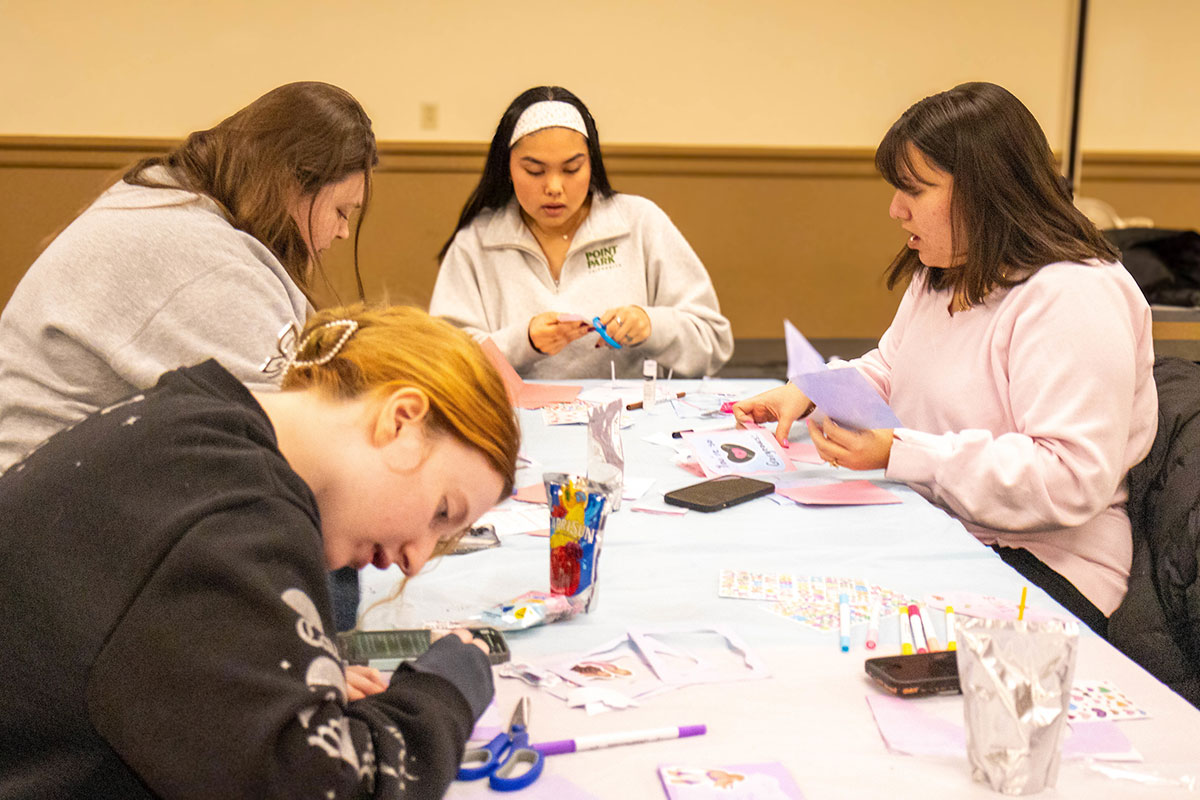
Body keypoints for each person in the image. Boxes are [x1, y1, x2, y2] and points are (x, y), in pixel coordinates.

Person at [0, 305, 521, 799]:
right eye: (441, 513)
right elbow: (324, 786)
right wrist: (443, 693)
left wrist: (261, 674)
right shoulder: (236, 513)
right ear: (402, 420)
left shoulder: (195, 423)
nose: (415, 559)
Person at [733, 82, 1156, 636]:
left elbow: (1068, 478)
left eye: (916, 189)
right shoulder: (947, 269)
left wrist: (901, 453)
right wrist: (814, 387)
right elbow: (893, 366)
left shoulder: (1074, 295)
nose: (895, 209)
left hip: (1044, 565)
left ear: (988, 191)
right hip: (945, 525)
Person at [0, 80, 377, 473]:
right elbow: (302, 438)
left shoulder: (162, 204)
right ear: (292, 185)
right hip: (47, 510)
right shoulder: (194, 252)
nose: (343, 232)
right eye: (341, 211)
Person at [430, 85, 733, 379]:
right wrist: (522, 343)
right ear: (507, 168)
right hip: (512, 424)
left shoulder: (640, 222)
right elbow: (444, 359)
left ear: (592, 165)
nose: (554, 188)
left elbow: (713, 342)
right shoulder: (477, 241)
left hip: (632, 423)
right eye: (534, 171)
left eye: (572, 169)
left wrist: (652, 325)